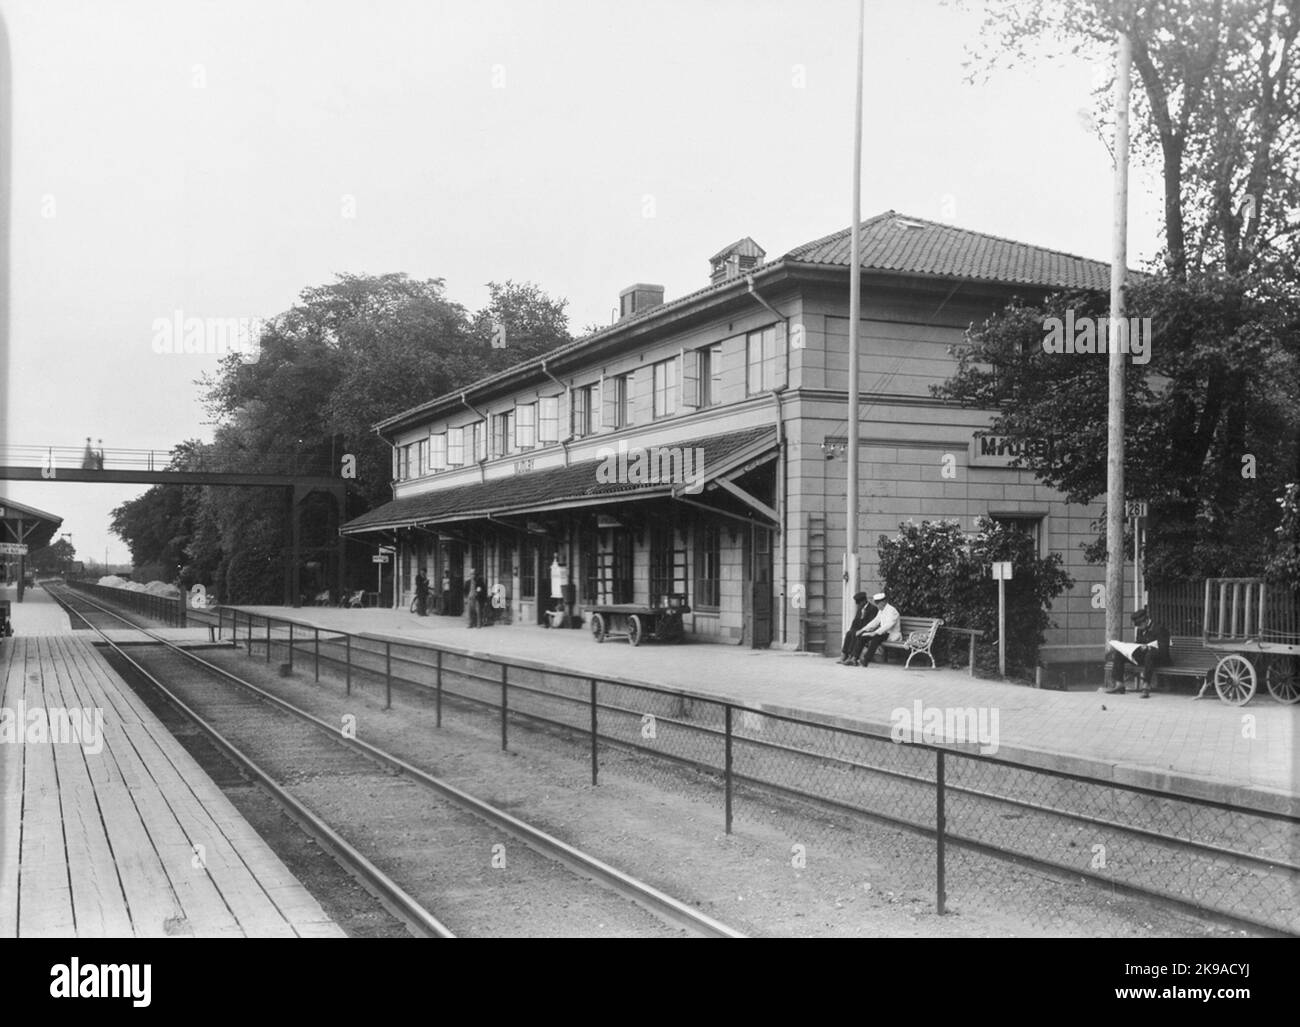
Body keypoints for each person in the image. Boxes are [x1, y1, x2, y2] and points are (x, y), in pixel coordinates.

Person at [1104, 607, 1170, 698]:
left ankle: (1146, 686)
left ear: (1146, 620)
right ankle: (1119, 684)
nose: (1138, 627)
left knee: (1149, 655)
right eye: (1137, 625)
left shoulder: (1159, 628)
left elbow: (1164, 649)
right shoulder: (1140, 629)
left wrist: (1148, 647)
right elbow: (1139, 642)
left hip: (1159, 659)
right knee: (1119, 653)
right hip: (1146, 657)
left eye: (1140, 624)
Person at [856, 591, 902, 668]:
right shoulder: (881, 610)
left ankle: (866, 660)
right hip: (883, 634)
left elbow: (888, 625)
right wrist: (862, 630)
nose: (877, 605)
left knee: (876, 638)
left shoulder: (892, 611)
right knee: (863, 636)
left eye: (878, 603)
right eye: (876, 603)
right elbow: (875, 622)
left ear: (884, 602)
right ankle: (855, 658)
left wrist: (875, 632)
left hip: (892, 634)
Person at [837, 592, 871, 665]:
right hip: (859, 629)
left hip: (867, 630)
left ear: (864, 601)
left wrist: (861, 628)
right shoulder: (860, 609)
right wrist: (852, 629)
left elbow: (871, 624)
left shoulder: (872, 609)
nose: (858, 605)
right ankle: (844, 654)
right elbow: (855, 621)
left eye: (859, 603)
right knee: (849, 633)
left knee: (856, 634)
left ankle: (852, 656)